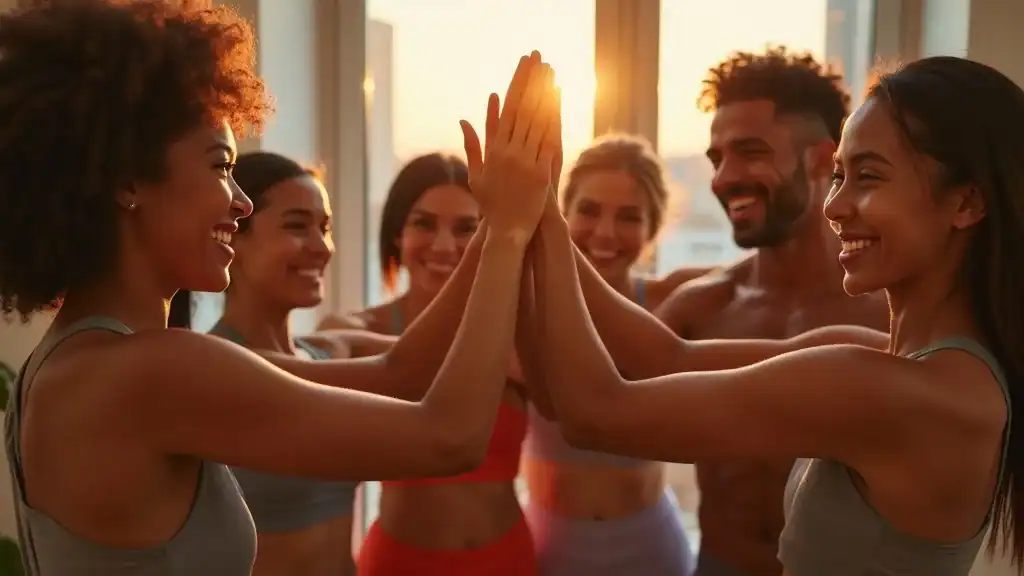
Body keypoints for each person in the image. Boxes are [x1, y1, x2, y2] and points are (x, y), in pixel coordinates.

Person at [0, 0, 559, 570]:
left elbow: (401, 374)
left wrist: (493, 223)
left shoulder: (68, 363)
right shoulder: (152, 370)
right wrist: (510, 230)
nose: (241, 203)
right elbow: (449, 438)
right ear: (126, 180)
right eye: (221, 166)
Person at [522, 55, 1019, 574]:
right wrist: (544, 217)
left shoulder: (888, 387)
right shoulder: (896, 360)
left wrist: (537, 216)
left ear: (966, 203)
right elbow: (668, 355)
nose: (835, 206)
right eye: (840, 176)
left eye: (869, 176)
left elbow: (595, 414)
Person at [319, 152, 537, 576]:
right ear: (397, 233)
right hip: (399, 563)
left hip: (504, 561)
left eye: (466, 229)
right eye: (424, 223)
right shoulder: (351, 331)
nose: (443, 245)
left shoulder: (520, 334)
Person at [521, 134, 706, 575]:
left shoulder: (671, 301)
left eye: (629, 217)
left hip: (650, 550)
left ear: (653, 227)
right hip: (549, 551)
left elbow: (757, 280)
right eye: (588, 211)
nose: (605, 232)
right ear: (561, 213)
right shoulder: (523, 304)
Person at [202, 152, 360, 576]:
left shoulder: (326, 354)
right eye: (296, 226)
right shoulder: (212, 368)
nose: (321, 248)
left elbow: (422, 361)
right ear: (235, 236)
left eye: (324, 228)